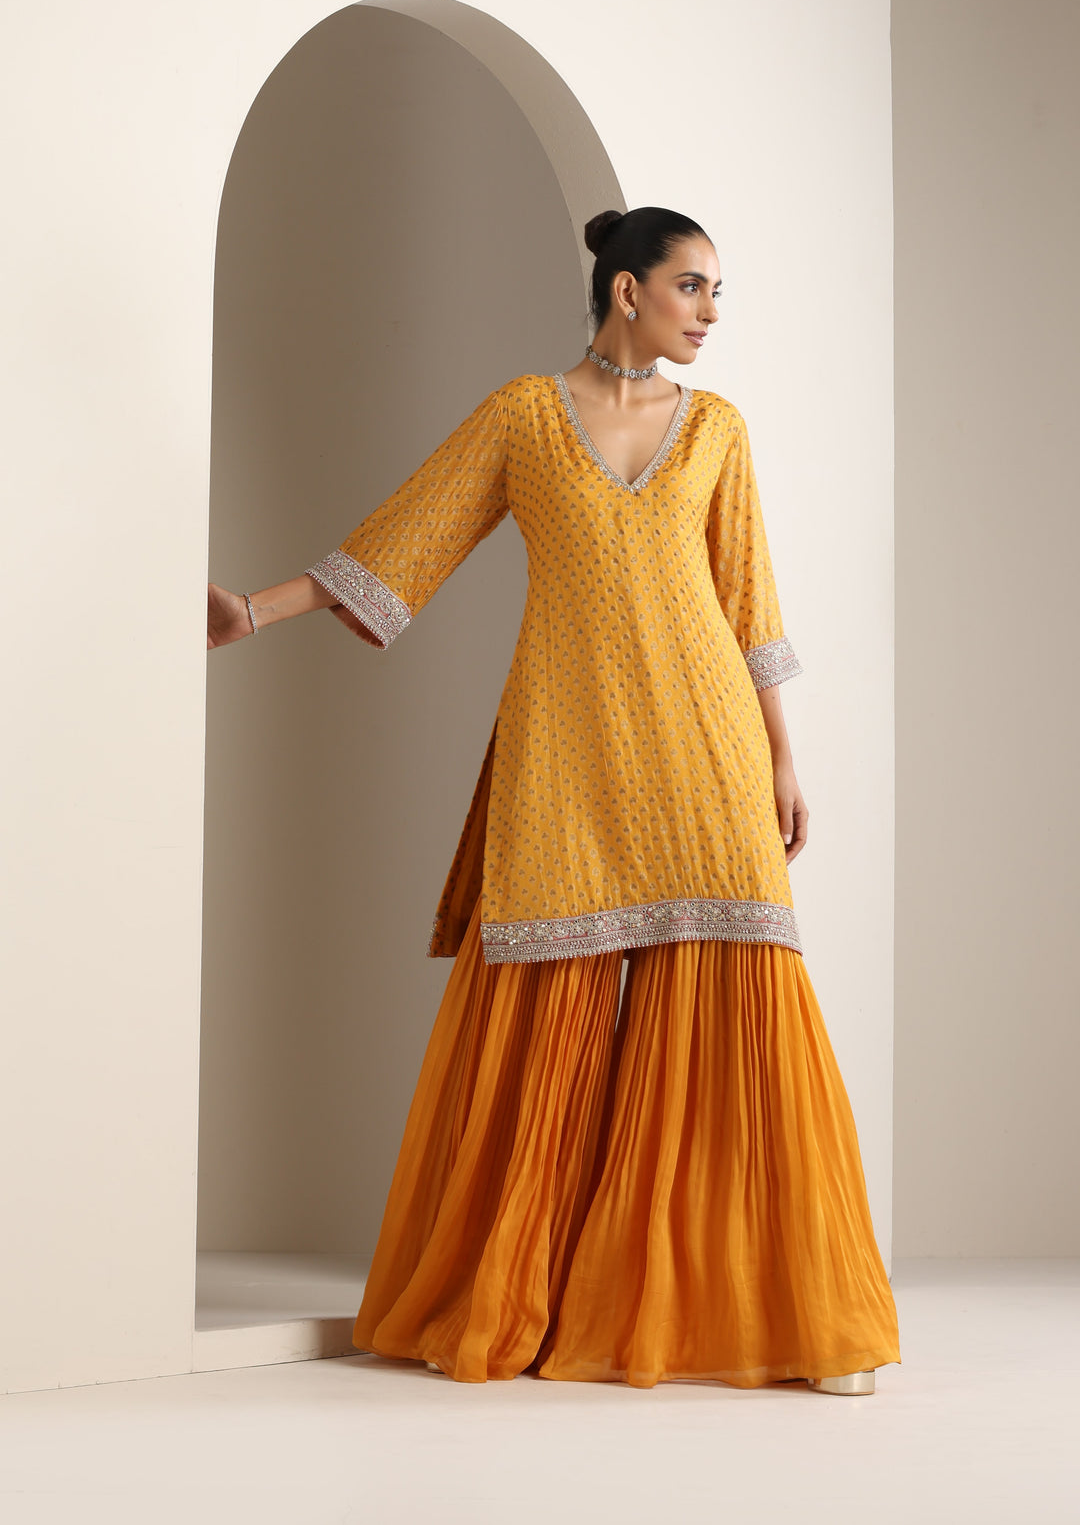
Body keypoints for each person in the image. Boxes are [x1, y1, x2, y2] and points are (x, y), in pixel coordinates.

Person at [207, 205, 901, 1395]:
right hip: (566, 739)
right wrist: (255, 612)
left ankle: (792, 1312)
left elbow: (749, 600)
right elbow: (411, 534)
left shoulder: (719, 430)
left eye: (717, 292)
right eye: (693, 287)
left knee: (740, 1000)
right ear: (627, 290)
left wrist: (782, 758)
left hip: (708, 741)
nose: (710, 313)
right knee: (547, 990)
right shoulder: (523, 417)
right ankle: (520, 1300)